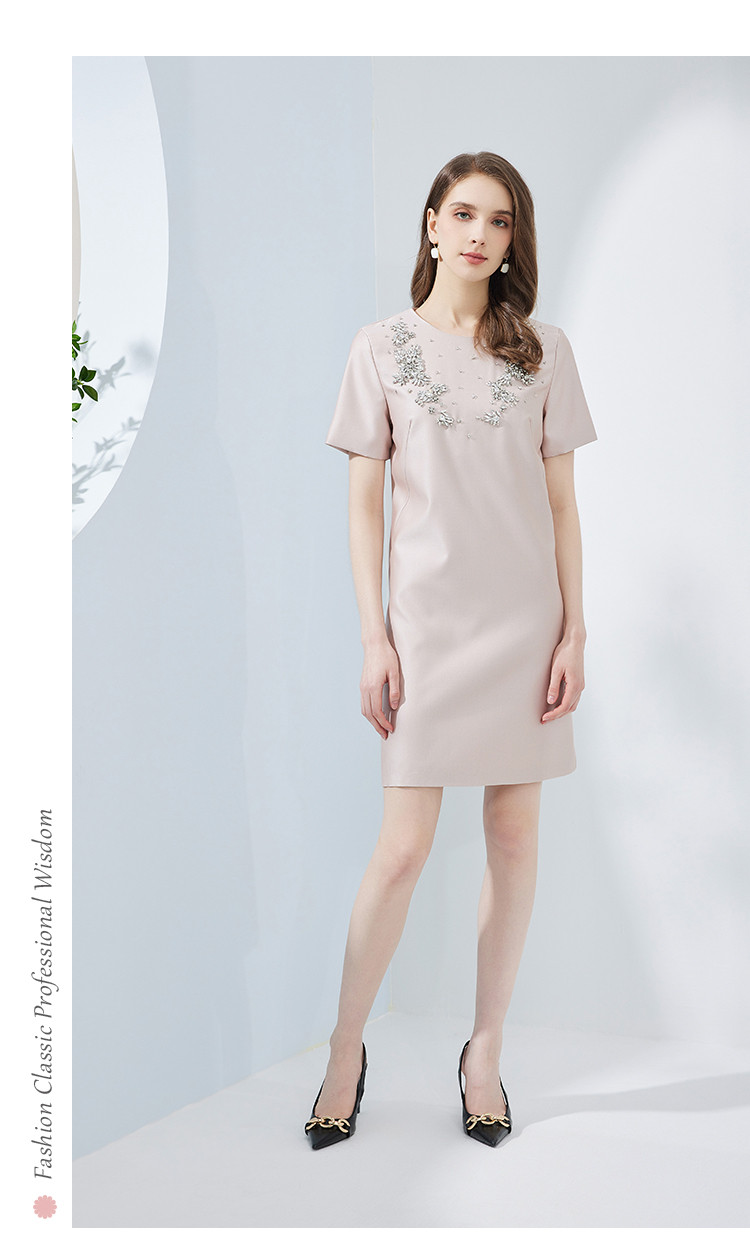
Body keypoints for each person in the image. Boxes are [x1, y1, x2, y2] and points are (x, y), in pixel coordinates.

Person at [304, 151, 598, 1150]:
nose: (480, 234)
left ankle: (484, 1052)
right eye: (464, 213)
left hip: (524, 625)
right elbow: (364, 506)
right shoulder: (380, 348)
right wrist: (373, 636)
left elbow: (563, 506)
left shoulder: (545, 351)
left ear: (515, 240)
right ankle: (346, 1049)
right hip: (425, 631)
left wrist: (575, 628)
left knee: (514, 841)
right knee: (402, 851)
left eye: (500, 220)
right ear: (432, 222)